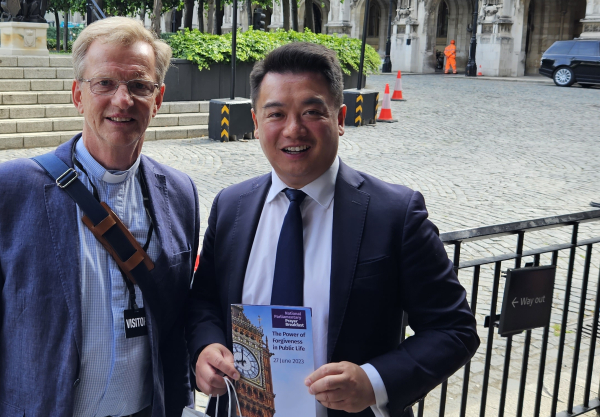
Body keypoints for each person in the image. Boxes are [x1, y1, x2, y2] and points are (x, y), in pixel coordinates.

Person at [187, 42, 479, 417]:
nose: (293, 130)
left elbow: (453, 329)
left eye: (312, 112)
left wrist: (374, 381)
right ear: (257, 124)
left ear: (340, 118)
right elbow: (204, 301)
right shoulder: (232, 206)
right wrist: (204, 349)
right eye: (276, 114)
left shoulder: (394, 213)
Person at [0, 17, 200, 417]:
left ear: (159, 98)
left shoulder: (179, 194)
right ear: (78, 95)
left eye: (139, 85)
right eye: (105, 83)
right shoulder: (5, 192)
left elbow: (176, 325)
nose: (122, 99)